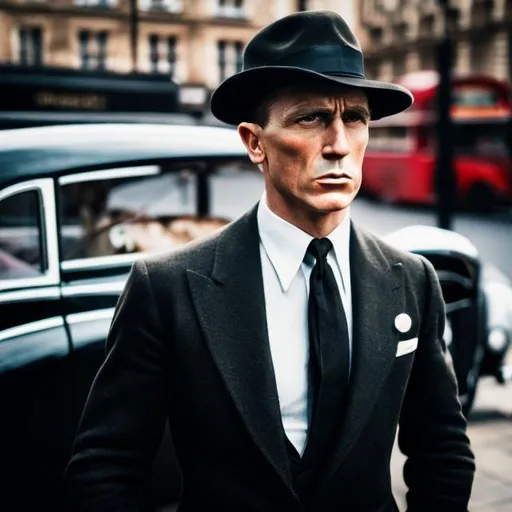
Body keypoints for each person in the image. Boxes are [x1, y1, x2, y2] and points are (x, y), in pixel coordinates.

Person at [65, 10, 475, 511]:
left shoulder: (412, 278)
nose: (340, 146)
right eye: (312, 118)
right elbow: (105, 464)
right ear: (254, 142)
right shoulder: (166, 286)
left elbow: (443, 450)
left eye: (355, 118)